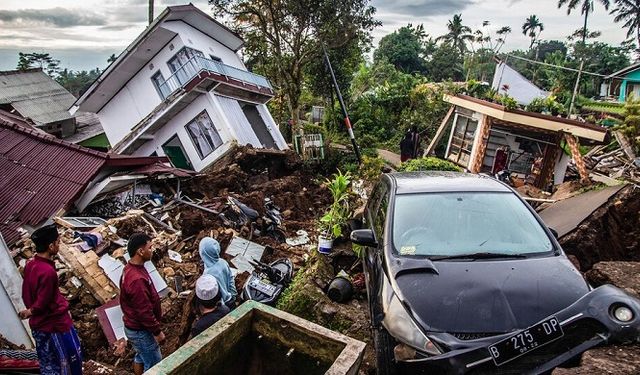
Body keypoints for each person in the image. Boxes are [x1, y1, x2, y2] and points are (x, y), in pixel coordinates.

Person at [19, 224, 83, 375]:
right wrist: (33, 310)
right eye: (58, 242)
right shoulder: (48, 272)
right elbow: (44, 301)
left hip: (40, 325)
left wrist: (31, 310)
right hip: (54, 326)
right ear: (50, 246)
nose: (59, 245)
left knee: (48, 363)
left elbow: (27, 293)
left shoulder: (31, 265)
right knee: (66, 364)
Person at [120, 233, 164, 375]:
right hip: (140, 330)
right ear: (140, 251)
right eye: (150, 247)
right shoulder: (136, 279)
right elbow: (143, 311)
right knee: (154, 365)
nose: (153, 250)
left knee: (141, 356)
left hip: (135, 328)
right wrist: (157, 332)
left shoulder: (131, 268)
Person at [199, 237, 237, 310]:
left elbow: (214, 295)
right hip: (231, 300)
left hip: (223, 306)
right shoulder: (223, 262)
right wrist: (233, 296)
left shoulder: (208, 275)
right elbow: (231, 280)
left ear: (204, 253)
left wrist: (222, 309)